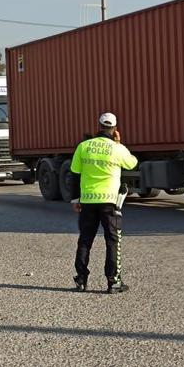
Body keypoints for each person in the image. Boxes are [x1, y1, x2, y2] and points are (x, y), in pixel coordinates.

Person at [69, 112, 138, 294]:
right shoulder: (117, 149)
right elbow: (132, 164)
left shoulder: (83, 147)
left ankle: (81, 280)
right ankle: (113, 282)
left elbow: (75, 174)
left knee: (85, 240)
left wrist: (75, 199)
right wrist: (119, 144)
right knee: (112, 241)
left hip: (88, 201)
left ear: (98, 126)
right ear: (114, 129)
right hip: (110, 202)